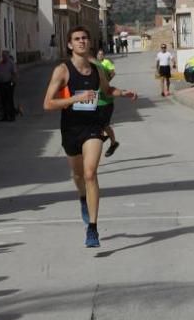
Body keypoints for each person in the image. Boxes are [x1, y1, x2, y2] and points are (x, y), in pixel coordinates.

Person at [43, 26, 137, 249]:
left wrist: (123, 93)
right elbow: (48, 103)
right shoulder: (62, 70)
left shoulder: (97, 68)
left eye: (85, 38)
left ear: (90, 42)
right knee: (77, 175)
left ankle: (92, 228)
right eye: (77, 39)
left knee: (90, 173)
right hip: (71, 128)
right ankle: (83, 198)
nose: (82, 41)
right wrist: (76, 100)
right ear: (69, 45)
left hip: (93, 126)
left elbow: (105, 91)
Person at [94, 49, 121, 157]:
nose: (100, 55)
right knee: (95, 126)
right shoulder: (92, 66)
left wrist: (107, 81)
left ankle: (113, 143)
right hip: (94, 103)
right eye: (98, 54)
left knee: (104, 125)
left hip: (106, 102)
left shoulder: (105, 64)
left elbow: (113, 73)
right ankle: (100, 141)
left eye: (101, 54)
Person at [0, 50, 17, 122]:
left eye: (5, 56)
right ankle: (5, 116)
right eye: (3, 56)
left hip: (9, 83)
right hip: (1, 84)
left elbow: (14, 74)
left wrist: (12, 83)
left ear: (8, 56)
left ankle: (12, 116)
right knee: (3, 100)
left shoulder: (11, 63)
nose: (4, 57)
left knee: (10, 100)